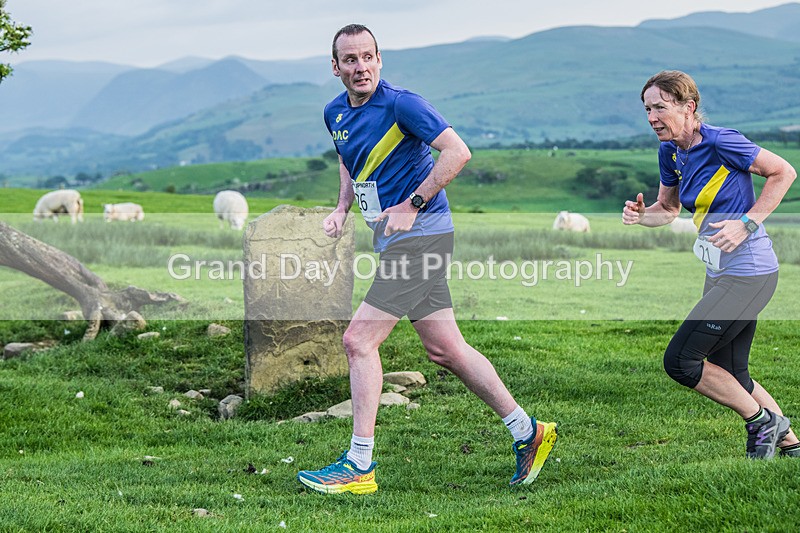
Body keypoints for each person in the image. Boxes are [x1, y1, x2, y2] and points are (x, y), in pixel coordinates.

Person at [296, 24, 558, 494]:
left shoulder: (402, 104)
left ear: (380, 59)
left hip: (423, 238)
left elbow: (458, 152)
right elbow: (347, 158)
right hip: (394, 241)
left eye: (367, 57)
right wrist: (340, 209)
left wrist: (412, 203)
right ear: (335, 67)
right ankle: (528, 431)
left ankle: (358, 465)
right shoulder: (334, 111)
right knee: (446, 350)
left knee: (358, 341)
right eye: (349, 60)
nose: (360, 68)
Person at [623, 70, 798, 460]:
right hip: (721, 271)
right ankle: (792, 445)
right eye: (647, 109)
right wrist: (640, 215)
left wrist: (747, 223)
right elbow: (667, 210)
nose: (652, 117)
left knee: (682, 361)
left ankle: (762, 422)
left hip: (749, 272)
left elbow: (783, 172)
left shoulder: (722, 142)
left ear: (689, 107)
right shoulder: (670, 151)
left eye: (660, 108)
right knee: (731, 370)